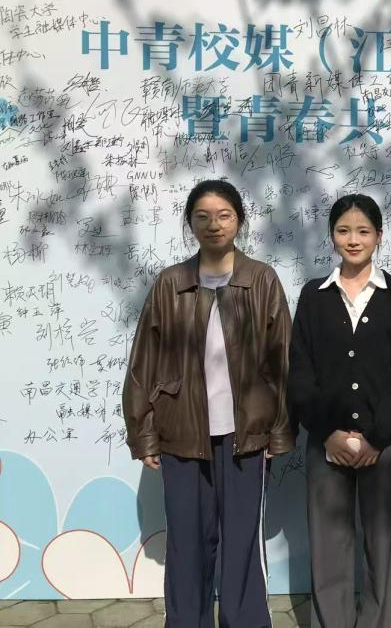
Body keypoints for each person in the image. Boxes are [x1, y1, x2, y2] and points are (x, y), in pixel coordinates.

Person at [123, 179, 293, 628]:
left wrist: (279, 431)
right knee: (187, 542)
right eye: (202, 217)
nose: (213, 225)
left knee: (242, 543)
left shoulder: (261, 279)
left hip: (246, 435)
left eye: (224, 215)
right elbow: (143, 362)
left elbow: (282, 360)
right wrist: (143, 433)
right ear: (190, 223)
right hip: (180, 434)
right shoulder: (170, 283)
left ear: (239, 220)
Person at [288, 194, 391, 628]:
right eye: (344, 230)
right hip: (326, 441)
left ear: (379, 236)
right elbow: (300, 370)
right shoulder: (314, 295)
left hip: (384, 443)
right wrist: (328, 433)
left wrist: (377, 438)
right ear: (331, 236)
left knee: (383, 544)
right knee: (329, 544)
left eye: (363, 231)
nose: (353, 239)